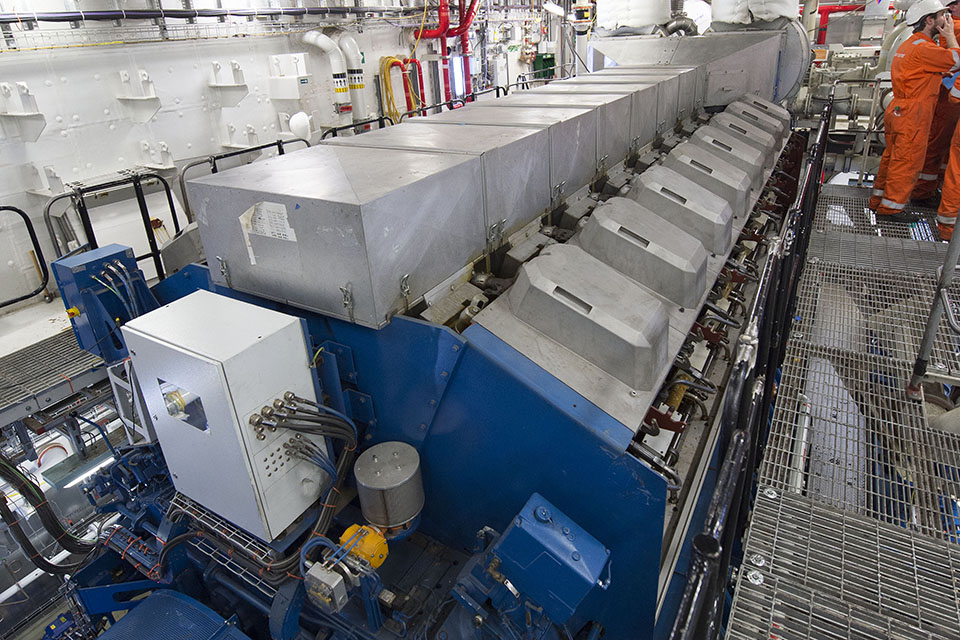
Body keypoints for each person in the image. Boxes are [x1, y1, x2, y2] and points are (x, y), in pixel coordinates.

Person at [869, 0, 960, 223]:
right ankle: (892, 209)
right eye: (941, 15)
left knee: (892, 158)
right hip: (913, 115)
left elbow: (920, 71)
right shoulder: (926, 48)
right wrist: (950, 36)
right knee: (907, 162)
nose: (946, 19)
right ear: (929, 20)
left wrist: (938, 76)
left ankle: (878, 201)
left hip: (899, 108)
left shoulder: (911, 45)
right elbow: (957, 59)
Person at [911, 0, 960, 206]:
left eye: (955, 4)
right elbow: (955, 59)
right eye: (948, 6)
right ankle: (924, 193)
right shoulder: (952, 28)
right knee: (939, 146)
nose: (951, 9)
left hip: (947, 95)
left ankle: (929, 190)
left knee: (943, 150)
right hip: (947, 97)